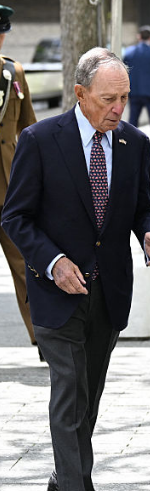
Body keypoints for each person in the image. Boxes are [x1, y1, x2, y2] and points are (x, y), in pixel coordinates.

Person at [1, 47, 150, 491]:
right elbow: (15, 217)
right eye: (107, 99)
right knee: (69, 388)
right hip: (55, 289)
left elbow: (143, 205)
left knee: (90, 390)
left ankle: (66, 473)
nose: (118, 108)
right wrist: (53, 262)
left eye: (123, 97)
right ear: (80, 94)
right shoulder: (39, 140)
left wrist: (148, 232)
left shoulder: (135, 144)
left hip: (109, 288)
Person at [0, 5, 37, 351]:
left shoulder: (14, 72)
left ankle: (43, 338)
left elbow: (28, 129)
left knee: (26, 267)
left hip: (10, 189)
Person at [123, 25, 150, 158]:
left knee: (132, 122)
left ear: (139, 37)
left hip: (134, 92)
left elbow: (124, 73)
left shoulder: (129, 52)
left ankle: (128, 148)